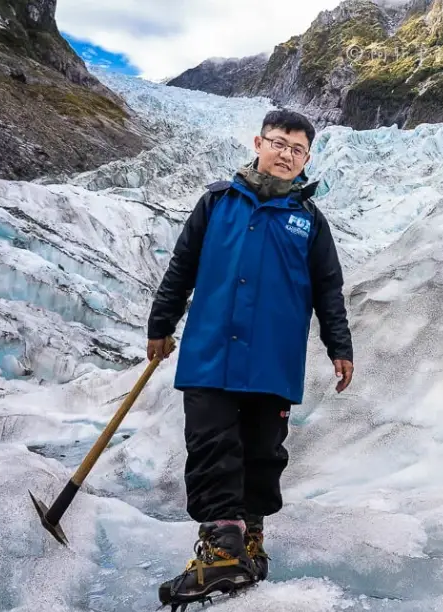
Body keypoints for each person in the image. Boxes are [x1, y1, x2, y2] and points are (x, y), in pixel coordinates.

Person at [147, 109, 354, 608]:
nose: (286, 154)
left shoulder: (309, 221)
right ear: (258, 143)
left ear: (306, 158)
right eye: (279, 143)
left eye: (297, 149)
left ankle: (249, 543)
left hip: (272, 359)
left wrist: (339, 345)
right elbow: (183, 267)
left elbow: (329, 289)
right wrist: (161, 324)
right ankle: (222, 548)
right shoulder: (217, 203)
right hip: (211, 350)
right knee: (212, 445)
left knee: (263, 452)